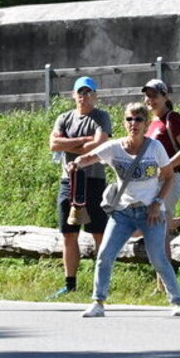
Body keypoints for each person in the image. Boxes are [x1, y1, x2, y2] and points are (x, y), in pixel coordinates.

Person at [68, 103, 180, 317]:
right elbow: (90, 157)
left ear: (146, 124)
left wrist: (157, 202)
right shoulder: (114, 147)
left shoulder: (155, 148)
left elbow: (168, 176)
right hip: (123, 212)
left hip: (150, 212)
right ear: (124, 123)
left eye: (139, 120)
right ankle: (98, 302)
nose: (134, 124)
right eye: (130, 119)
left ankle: (177, 300)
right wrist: (76, 163)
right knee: (105, 255)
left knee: (158, 258)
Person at [48, 76, 112, 299]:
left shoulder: (101, 117)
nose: (83, 97)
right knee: (68, 233)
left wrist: (71, 143)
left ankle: (102, 283)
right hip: (69, 180)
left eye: (88, 92)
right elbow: (53, 144)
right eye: (80, 92)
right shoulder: (64, 118)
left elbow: (99, 143)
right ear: (73, 95)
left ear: (94, 95)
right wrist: (83, 141)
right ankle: (70, 283)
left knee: (98, 232)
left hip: (93, 180)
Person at [142, 79, 180, 288]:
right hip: (153, 182)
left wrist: (167, 168)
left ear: (165, 97)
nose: (150, 100)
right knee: (155, 226)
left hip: (170, 180)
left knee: (159, 230)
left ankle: (165, 285)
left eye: (154, 95)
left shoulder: (173, 118)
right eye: (147, 95)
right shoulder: (151, 123)